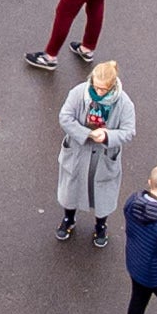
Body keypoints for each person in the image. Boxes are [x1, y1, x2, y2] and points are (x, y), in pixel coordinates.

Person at [53, 60, 134, 243]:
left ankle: (100, 225)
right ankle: (69, 219)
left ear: (112, 86)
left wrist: (106, 136)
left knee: (102, 193)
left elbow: (129, 132)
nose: (98, 93)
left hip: (104, 156)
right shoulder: (78, 93)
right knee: (71, 189)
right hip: (78, 151)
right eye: (96, 88)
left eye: (103, 90)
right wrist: (87, 133)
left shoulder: (124, 103)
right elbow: (65, 118)